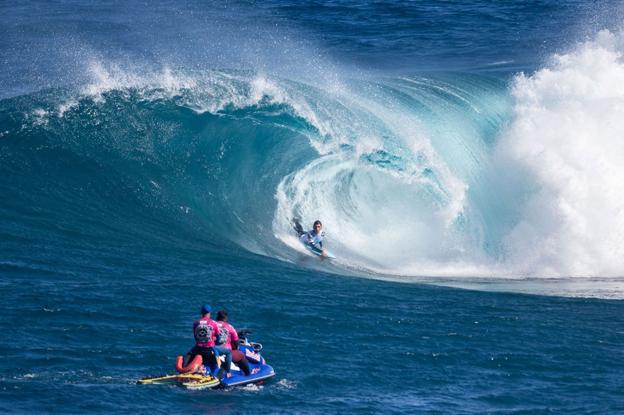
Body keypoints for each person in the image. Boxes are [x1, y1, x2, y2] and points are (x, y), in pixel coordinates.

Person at [216, 310, 251, 376]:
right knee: (241, 355)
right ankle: (248, 374)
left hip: (212, 351)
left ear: (217, 317)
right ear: (226, 318)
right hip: (224, 353)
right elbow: (236, 342)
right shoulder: (230, 327)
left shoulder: (212, 325)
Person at [188, 304, 221, 373]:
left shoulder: (196, 323)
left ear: (201, 313)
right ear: (209, 313)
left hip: (198, 349)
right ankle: (214, 376)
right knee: (217, 365)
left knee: (190, 353)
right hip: (209, 349)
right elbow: (218, 338)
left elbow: (196, 336)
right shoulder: (213, 323)